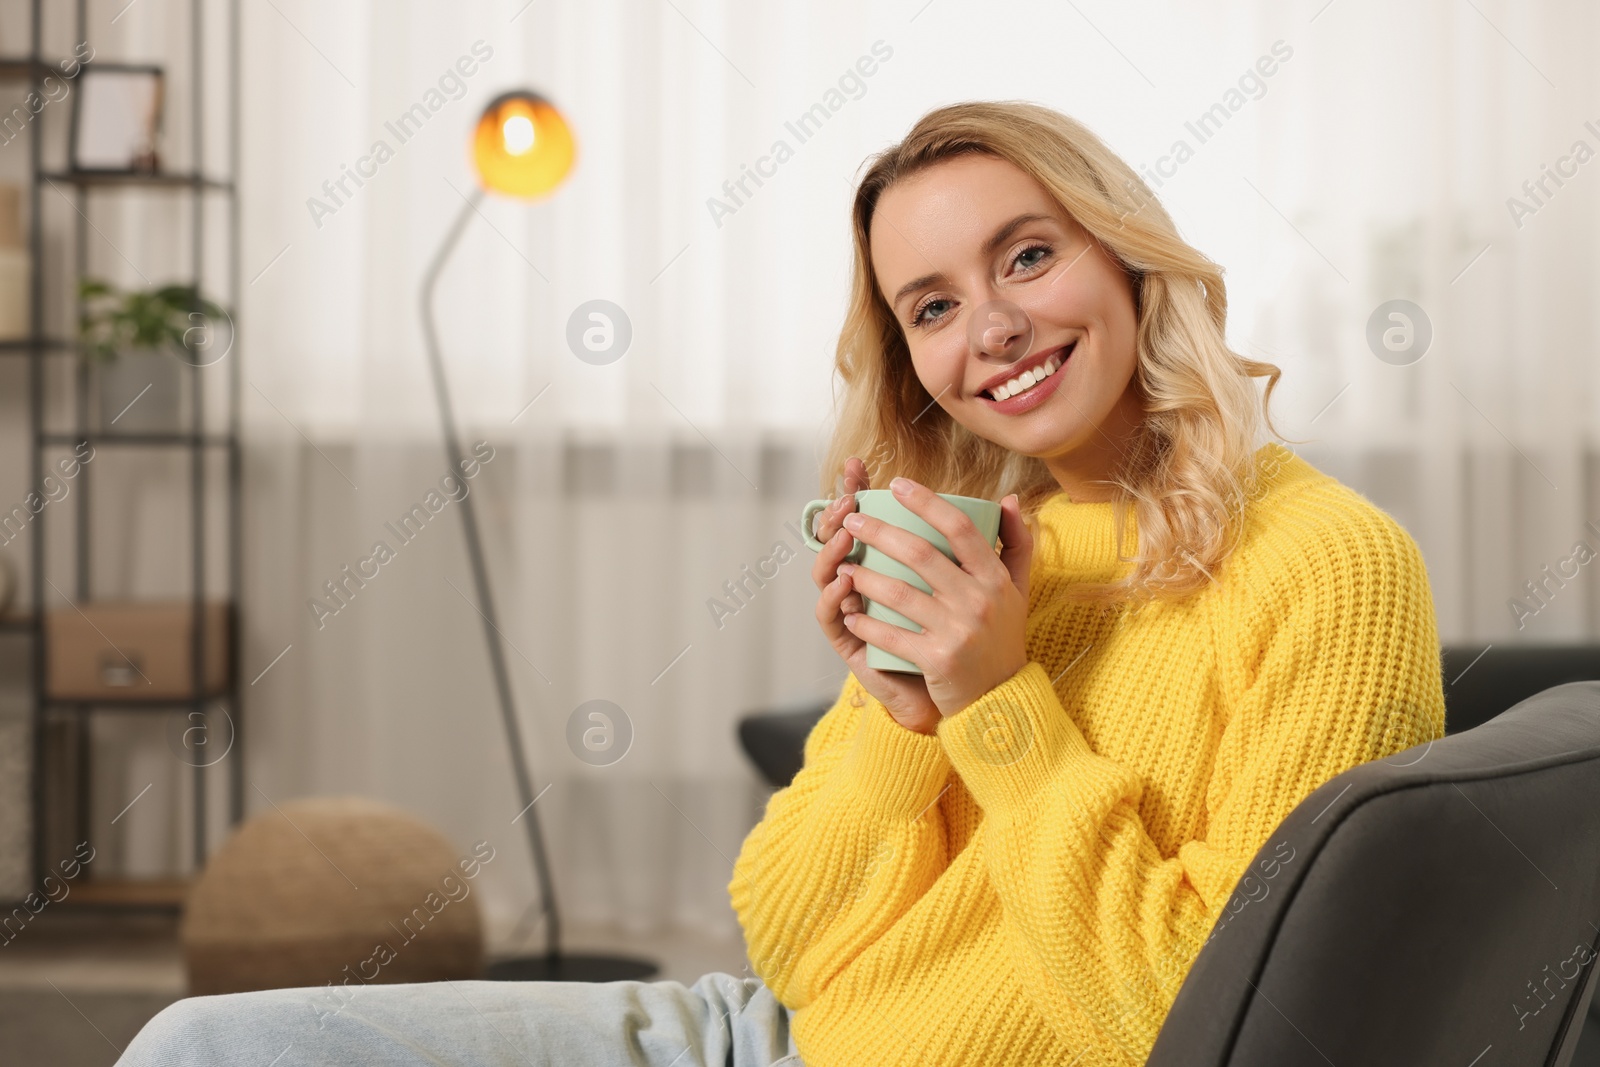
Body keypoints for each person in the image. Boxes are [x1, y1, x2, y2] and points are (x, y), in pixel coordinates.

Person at [116, 100, 1445, 1067]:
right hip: (766, 1038)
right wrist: (900, 714)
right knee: (202, 1048)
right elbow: (792, 954)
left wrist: (998, 703)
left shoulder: (1331, 568)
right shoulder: (990, 553)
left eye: (1027, 257)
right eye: (928, 306)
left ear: (1127, 256)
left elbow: (1217, 1029)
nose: (989, 329)